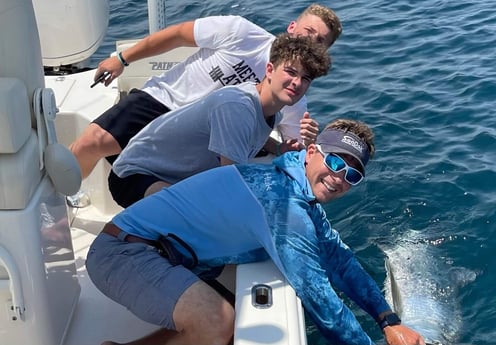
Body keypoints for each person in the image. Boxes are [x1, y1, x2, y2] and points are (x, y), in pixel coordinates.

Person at [86, 119, 427, 345]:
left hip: (170, 256)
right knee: (217, 322)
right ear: (311, 153)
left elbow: (340, 262)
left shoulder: (296, 189)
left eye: (352, 175)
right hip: (124, 253)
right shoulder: (281, 201)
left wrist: (387, 319)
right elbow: (319, 297)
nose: (340, 178)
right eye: (336, 162)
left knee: (236, 321)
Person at [68, 4, 342, 179]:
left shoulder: (293, 96)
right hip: (166, 100)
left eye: (320, 41)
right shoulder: (242, 32)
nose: (310, 41)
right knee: (90, 143)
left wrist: (301, 142)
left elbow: (291, 150)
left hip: (203, 142)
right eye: (308, 31)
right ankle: (62, 205)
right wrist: (123, 58)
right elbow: (177, 34)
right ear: (291, 27)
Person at [108, 33, 330, 208]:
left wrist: (279, 147)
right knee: (195, 215)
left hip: (177, 177)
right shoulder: (237, 106)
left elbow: (251, 132)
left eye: (306, 78)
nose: (297, 83)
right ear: (269, 69)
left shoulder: (272, 111)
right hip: (134, 176)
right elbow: (229, 184)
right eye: (290, 72)